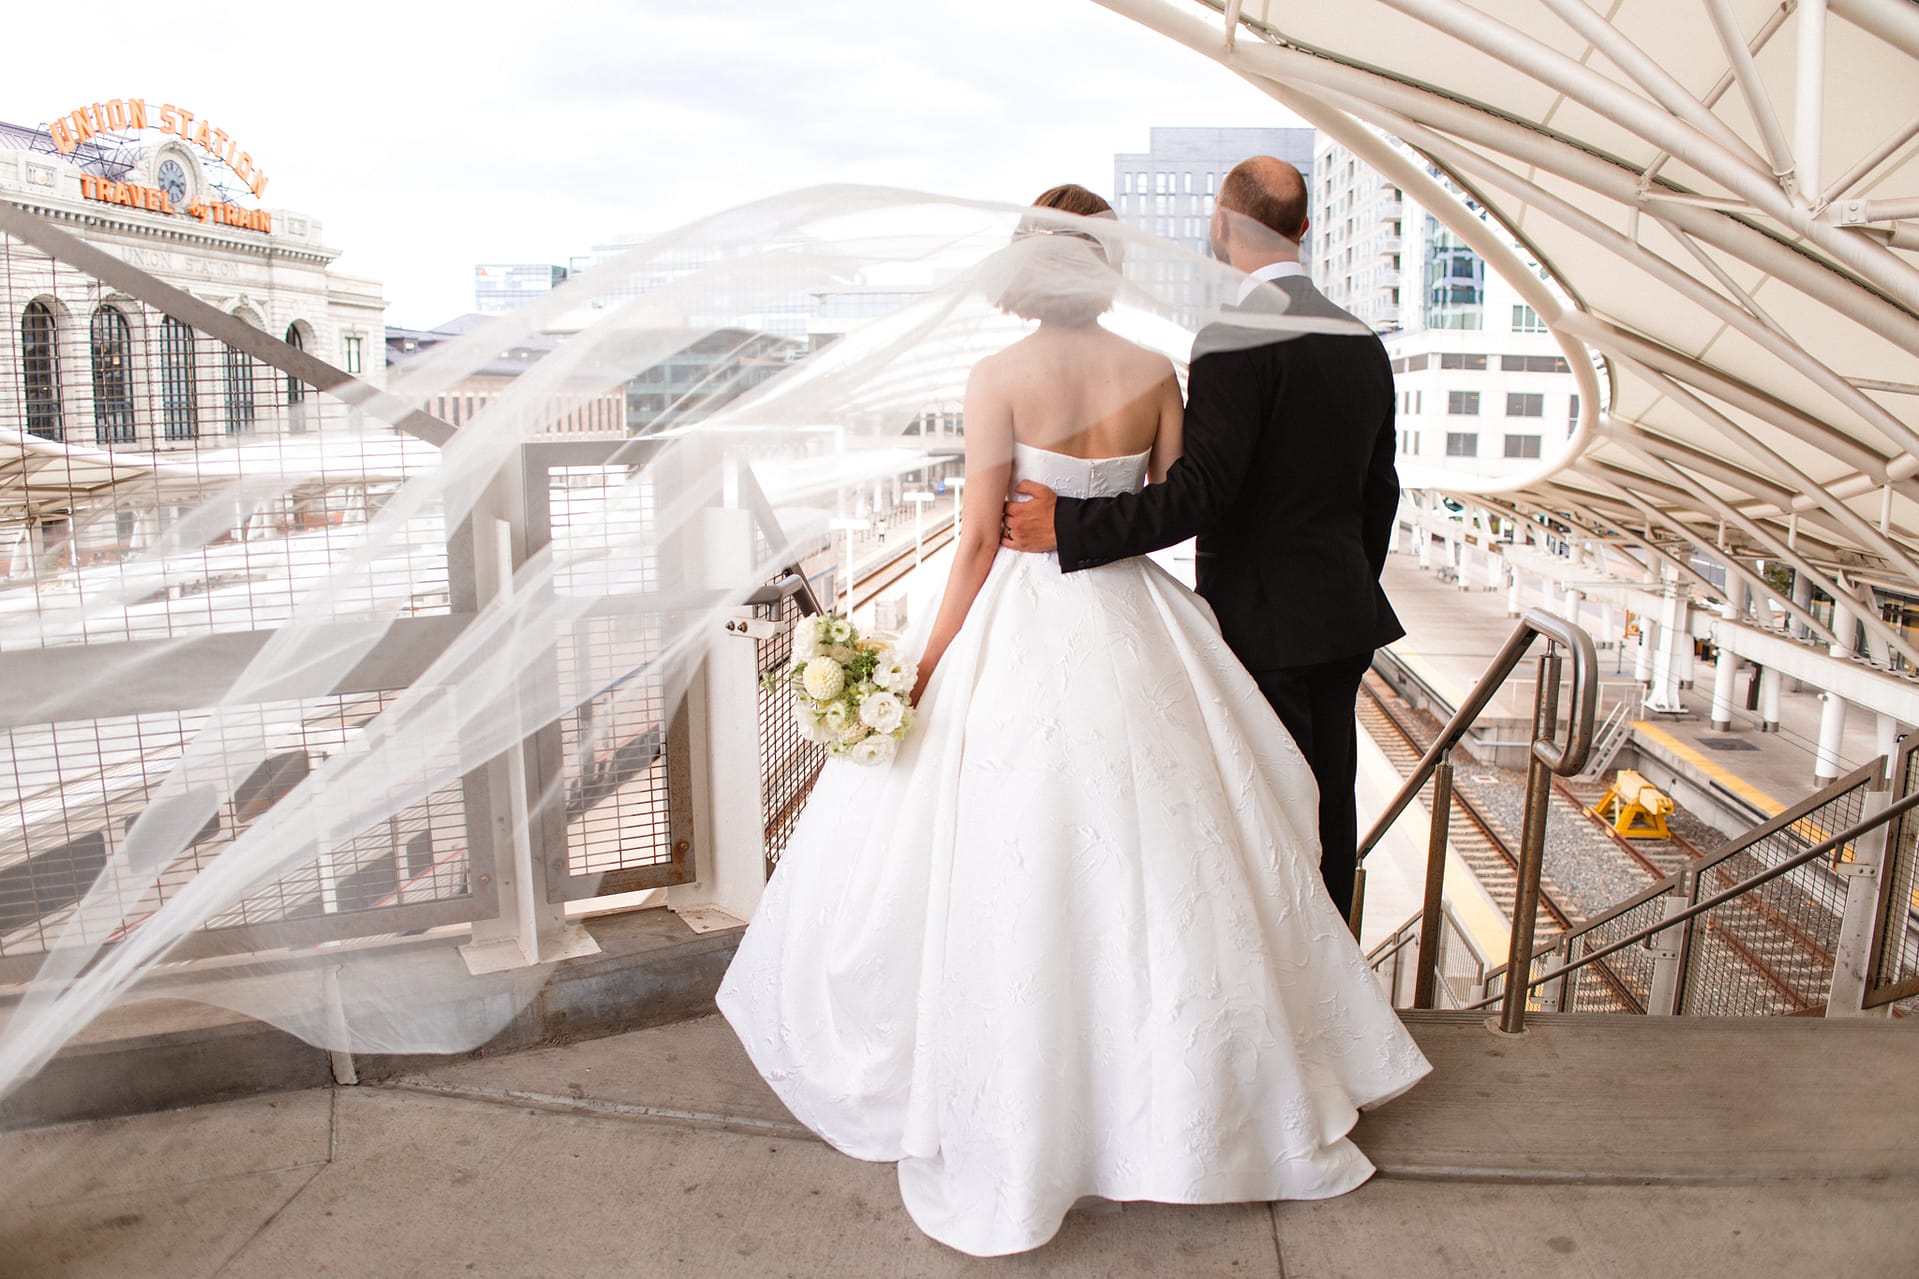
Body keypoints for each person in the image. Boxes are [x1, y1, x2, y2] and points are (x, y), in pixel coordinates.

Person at [717, 183, 1429, 1259]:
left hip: (1019, 612)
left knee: (1015, 856)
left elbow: (972, 544)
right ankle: (1195, 1083)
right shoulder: (1155, 370)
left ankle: (1041, 1093)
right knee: (1179, 855)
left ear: (1023, 266)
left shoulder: (995, 377)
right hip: (1137, 610)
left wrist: (924, 662)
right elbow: (1180, 503)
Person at [1000, 157, 1402, 921]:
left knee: (1276, 808)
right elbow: (1378, 491)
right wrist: (1346, 584)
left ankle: (1301, 990)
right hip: (1343, 618)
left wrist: (1070, 523)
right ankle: (1336, 970)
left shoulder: (1233, 337)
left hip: (1263, 620)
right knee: (1331, 808)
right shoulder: (1360, 340)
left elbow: (1198, 494)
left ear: (1221, 225)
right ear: (1305, 228)